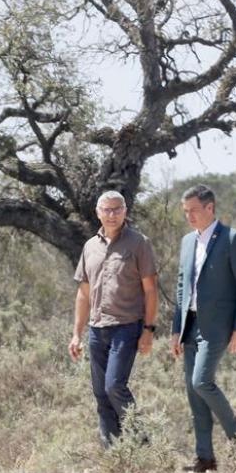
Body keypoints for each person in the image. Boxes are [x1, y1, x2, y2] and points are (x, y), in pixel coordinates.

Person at [171, 184, 236, 472]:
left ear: (210, 207)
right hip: (190, 325)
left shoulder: (232, 239)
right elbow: (182, 286)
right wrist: (175, 329)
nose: (189, 216)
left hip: (218, 327)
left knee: (201, 382)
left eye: (194, 210)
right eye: (185, 212)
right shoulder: (186, 242)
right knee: (194, 395)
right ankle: (204, 457)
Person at [69, 191, 159, 447]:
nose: (112, 215)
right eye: (106, 210)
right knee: (100, 394)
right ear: (98, 213)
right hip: (97, 329)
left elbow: (151, 289)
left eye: (117, 210)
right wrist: (76, 333)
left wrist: (149, 330)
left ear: (125, 211)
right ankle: (114, 456)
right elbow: (83, 293)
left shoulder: (139, 243)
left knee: (114, 386)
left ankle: (143, 445)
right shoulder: (89, 247)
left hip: (127, 327)